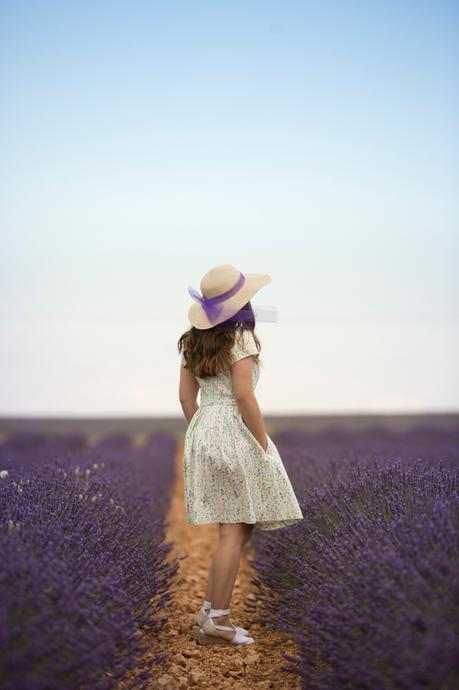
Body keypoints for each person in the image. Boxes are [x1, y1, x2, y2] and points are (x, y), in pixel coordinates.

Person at [177, 263, 304, 646]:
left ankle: (208, 611)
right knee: (234, 528)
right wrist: (262, 442)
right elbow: (244, 395)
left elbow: (186, 397)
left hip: (203, 428)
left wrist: (204, 432)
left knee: (239, 525)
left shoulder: (191, 341)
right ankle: (218, 620)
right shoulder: (241, 337)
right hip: (235, 428)